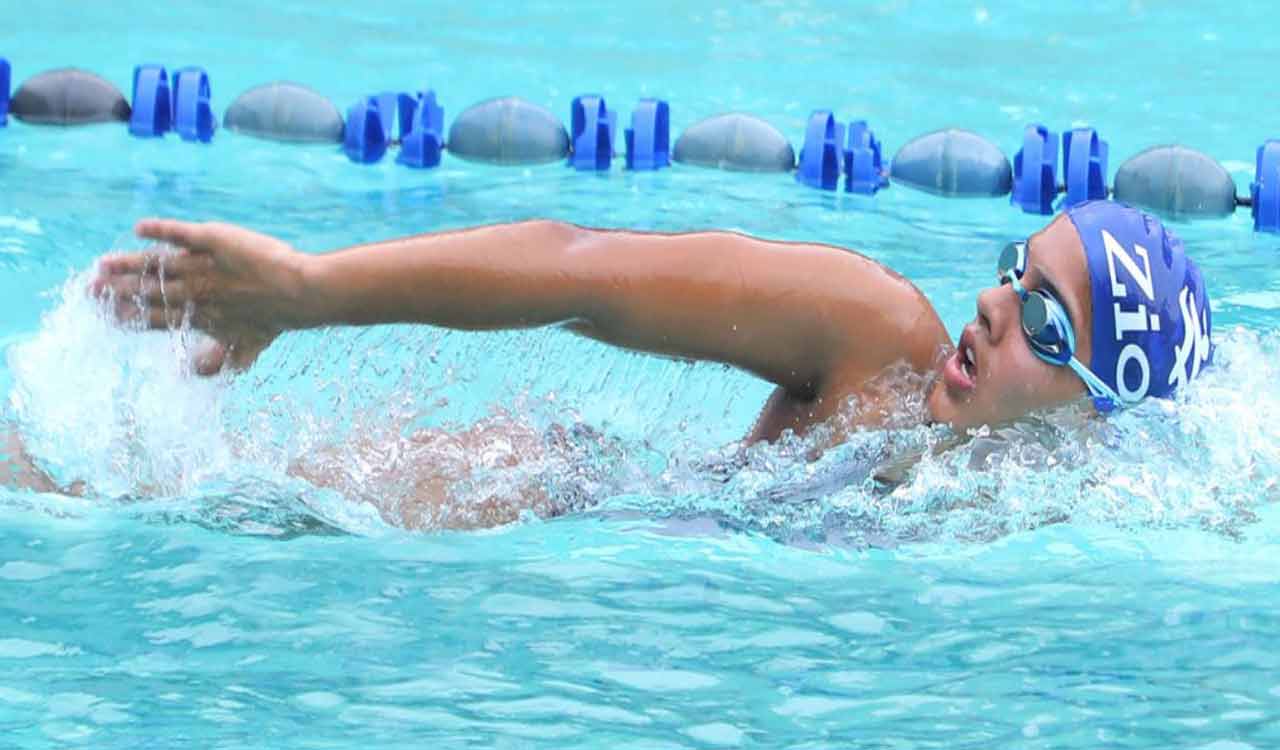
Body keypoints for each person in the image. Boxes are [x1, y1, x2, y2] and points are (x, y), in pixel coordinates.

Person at [6, 200, 1213, 529]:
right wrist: (310, 292)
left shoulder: (1068, 508)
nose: (997, 307)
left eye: (1047, 324)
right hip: (548, 493)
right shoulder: (876, 339)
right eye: (1015, 269)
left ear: (1096, 415)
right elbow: (579, 266)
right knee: (118, 506)